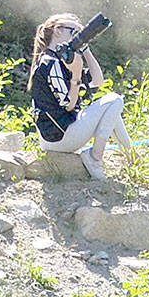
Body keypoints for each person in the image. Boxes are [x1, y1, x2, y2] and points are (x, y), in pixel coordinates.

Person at [28, 13, 132, 180]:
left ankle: (133, 159)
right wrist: (76, 74)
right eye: (73, 32)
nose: (75, 36)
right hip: (60, 136)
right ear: (57, 32)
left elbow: (97, 81)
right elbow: (68, 105)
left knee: (111, 110)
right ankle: (94, 158)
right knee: (115, 100)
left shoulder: (61, 60)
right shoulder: (50, 62)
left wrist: (85, 50)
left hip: (55, 135)